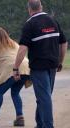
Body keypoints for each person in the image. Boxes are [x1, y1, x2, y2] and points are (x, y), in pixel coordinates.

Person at [13, 0, 68, 128]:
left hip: (39, 67)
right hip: (53, 66)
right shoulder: (53, 21)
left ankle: (48, 126)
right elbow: (64, 43)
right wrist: (60, 61)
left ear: (29, 9)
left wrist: (15, 68)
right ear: (41, 7)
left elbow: (22, 49)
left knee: (44, 99)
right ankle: (40, 124)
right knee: (43, 98)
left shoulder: (30, 24)